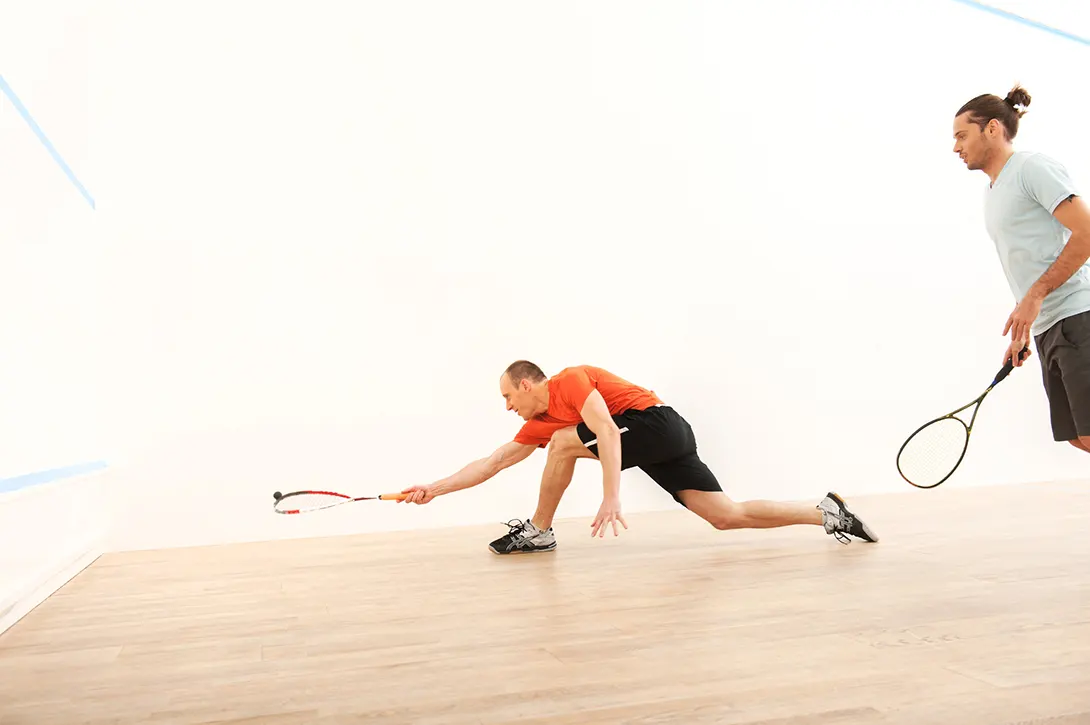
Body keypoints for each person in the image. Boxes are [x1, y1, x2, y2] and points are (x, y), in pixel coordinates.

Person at [399, 361, 878, 553]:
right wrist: (432, 490)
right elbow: (492, 463)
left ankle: (540, 532)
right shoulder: (539, 424)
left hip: (657, 423)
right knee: (724, 516)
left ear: (527, 383)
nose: (507, 406)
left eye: (508, 396)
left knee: (568, 441)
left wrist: (612, 496)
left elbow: (606, 428)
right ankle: (827, 514)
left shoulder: (568, 381)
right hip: (657, 443)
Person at [953, 85, 1090, 452]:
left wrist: (1036, 295)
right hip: (1049, 326)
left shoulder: (1032, 168)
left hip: (1080, 313)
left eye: (962, 135)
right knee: (1077, 437)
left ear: (993, 129)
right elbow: (1028, 259)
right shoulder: (993, 191)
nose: (955, 147)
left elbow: (1087, 232)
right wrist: (1023, 327)